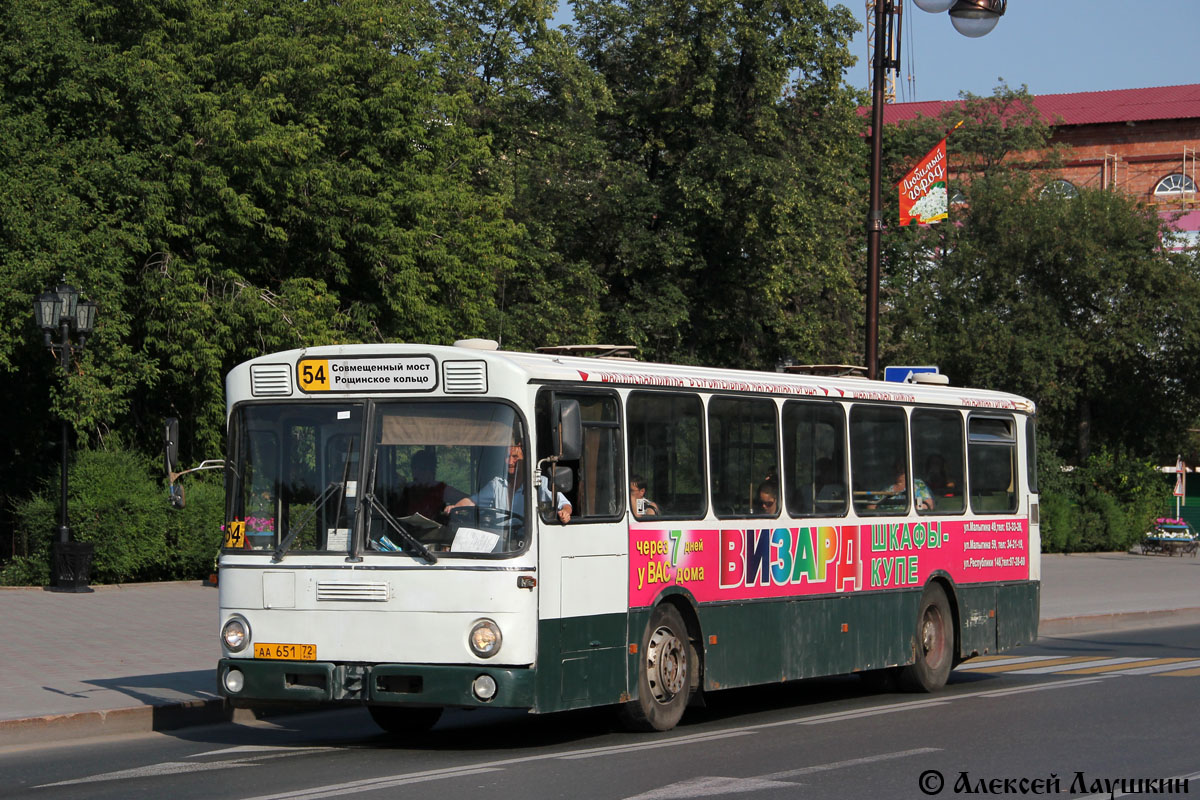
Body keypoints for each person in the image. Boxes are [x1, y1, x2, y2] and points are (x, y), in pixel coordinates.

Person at [445, 442, 572, 524]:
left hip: (528, 542)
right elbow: (473, 501)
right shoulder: (497, 484)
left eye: (515, 457)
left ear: (525, 458)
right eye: (507, 457)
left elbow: (565, 504)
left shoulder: (540, 482)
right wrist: (456, 507)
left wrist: (565, 513)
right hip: (503, 542)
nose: (509, 462)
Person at [398, 448, 465, 520]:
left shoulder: (442, 490)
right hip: (403, 530)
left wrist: (455, 507)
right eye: (414, 469)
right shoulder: (406, 490)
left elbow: (469, 500)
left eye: (422, 469)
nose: (417, 473)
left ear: (431, 471)